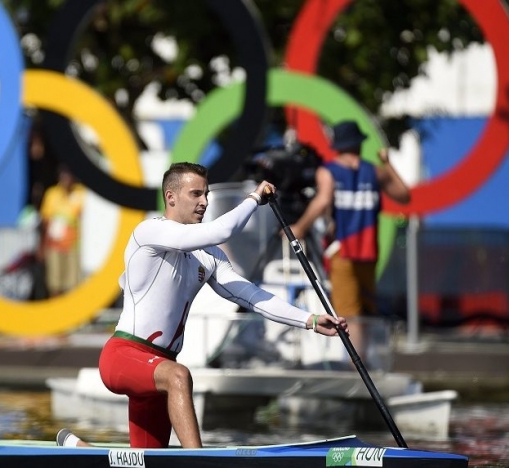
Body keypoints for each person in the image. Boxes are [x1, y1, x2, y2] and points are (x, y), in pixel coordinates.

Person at [56, 162, 347, 449]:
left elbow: (252, 296)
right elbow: (222, 230)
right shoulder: (149, 233)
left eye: (206, 194)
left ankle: (82, 450)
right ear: (171, 197)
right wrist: (254, 198)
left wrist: (309, 320)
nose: (205, 202)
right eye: (195, 194)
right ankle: (200, 461)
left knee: (147, 462)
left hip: (159, 370)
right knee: (180, 374)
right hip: (123, 356)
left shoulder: (208, 254)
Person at [287, 120, 411, 366]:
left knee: (348, 311)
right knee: (365, 309)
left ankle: (356, 365)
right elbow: (404, 195)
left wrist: (299, 227)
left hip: (342, 249)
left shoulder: (328, 171)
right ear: (359, 144)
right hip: (369, 250)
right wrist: (387, 162)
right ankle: (365, 360)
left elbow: (322, 201)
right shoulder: (375, 171)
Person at [39, 165, 85, 297]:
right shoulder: (52, 194)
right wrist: (42, 245)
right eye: (64, 176)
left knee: (73, 284)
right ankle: (56, 316)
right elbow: (46, 221)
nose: (66, 179)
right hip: (54, 246)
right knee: (55, 283)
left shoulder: (82, 193)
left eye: (69, 176)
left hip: (74, 246)